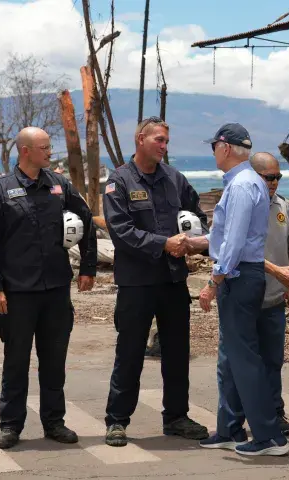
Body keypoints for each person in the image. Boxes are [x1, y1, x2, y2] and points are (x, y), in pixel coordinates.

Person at [0, 126, 97, 449]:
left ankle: (54, 421)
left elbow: (85, 218)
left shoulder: (59, 185)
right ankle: (11, 425)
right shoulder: (1, 191)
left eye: (49, 146)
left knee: (54, 360)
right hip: (17, 293)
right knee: (16, 360)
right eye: (43, 147)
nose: (49, 152)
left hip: (56, 289)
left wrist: (87, 267)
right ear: (25, 151)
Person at [102, 116, 209, 447]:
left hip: (173, 280)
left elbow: (197, 215)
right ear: (140, 139)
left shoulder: (174, 179)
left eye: (166, 141)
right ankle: (117, 421)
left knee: (176, 352)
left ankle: (176, 416)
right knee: (130, 352)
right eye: (159, 140)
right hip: (137, 283)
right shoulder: (118, 182)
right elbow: (120, 231)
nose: (164, 146)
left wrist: (194, 237)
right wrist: (163, 243)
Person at [193, 124, 289, 456]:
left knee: (245, 359)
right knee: (237, 358)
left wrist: (212, 282)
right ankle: (232, 428)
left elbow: (232, 243)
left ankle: (268, 436)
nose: (214, 154)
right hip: (246, 274)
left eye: (214, 148)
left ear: (225, 148)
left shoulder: (241, 186)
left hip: (239, 276)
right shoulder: (249, 183)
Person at [250, 152, 289, 436]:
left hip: (274, 298)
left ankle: (275, 413)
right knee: (242, 361)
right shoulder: (244, 204)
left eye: (278, 177)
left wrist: (286, 285)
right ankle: (238, 418)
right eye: (268, 177)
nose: (274, 182)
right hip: (245, 297)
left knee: (273, 359)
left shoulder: (284, 207)